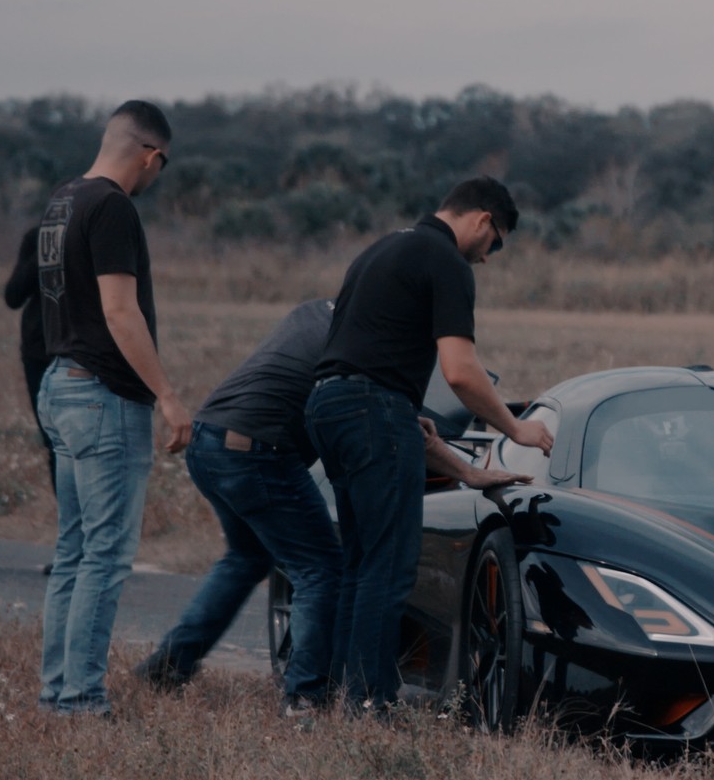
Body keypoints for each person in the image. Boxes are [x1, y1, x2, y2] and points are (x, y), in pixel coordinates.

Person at [135, 299, 529, 713]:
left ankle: (170, 665)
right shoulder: (362, 345)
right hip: (258, 452)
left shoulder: (318, 313)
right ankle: (304, 697)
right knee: (321, 569)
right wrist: (468, 471)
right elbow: (396, 426)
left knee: (247, 558)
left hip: (210, 440)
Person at [306, 176, 552, 714]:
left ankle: (348, 699)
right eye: (496, 242)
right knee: (390, 567)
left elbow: (363, 346)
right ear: (483, 219)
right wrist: (517, 429)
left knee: (361, 562)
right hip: (372, 409)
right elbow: (461, 372)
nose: (488, 257)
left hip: (329, 405)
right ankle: (372, 704)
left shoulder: (383, 248)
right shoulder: (446, 261)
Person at [34, 100, 188, 717]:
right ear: (151, 155)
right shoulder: (114, 207)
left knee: (74, 551)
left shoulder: (63, 199)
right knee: (105, 555)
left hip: (60, 384)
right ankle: (80, 700)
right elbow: (120, 311)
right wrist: (168, 396)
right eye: (162, 167)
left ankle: (58, 693)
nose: (156, 178)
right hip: (103, 396)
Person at [2, 226, 55, 495]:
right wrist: (45, 249)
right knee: (53, 443)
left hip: (79, 353)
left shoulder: (94, 232)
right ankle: (70, 524)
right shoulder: (36, 236)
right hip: (38, 353)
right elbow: (13, 296)